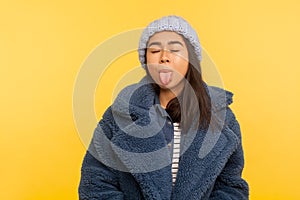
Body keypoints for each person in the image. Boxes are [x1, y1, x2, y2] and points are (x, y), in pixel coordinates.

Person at [78, 15, 249, 199]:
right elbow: (95, 184)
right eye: (154, 51)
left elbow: (231, 187)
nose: (164, 58)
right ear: (146, 61)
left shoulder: (222, 117)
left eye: (175, 50)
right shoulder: (119, 115)